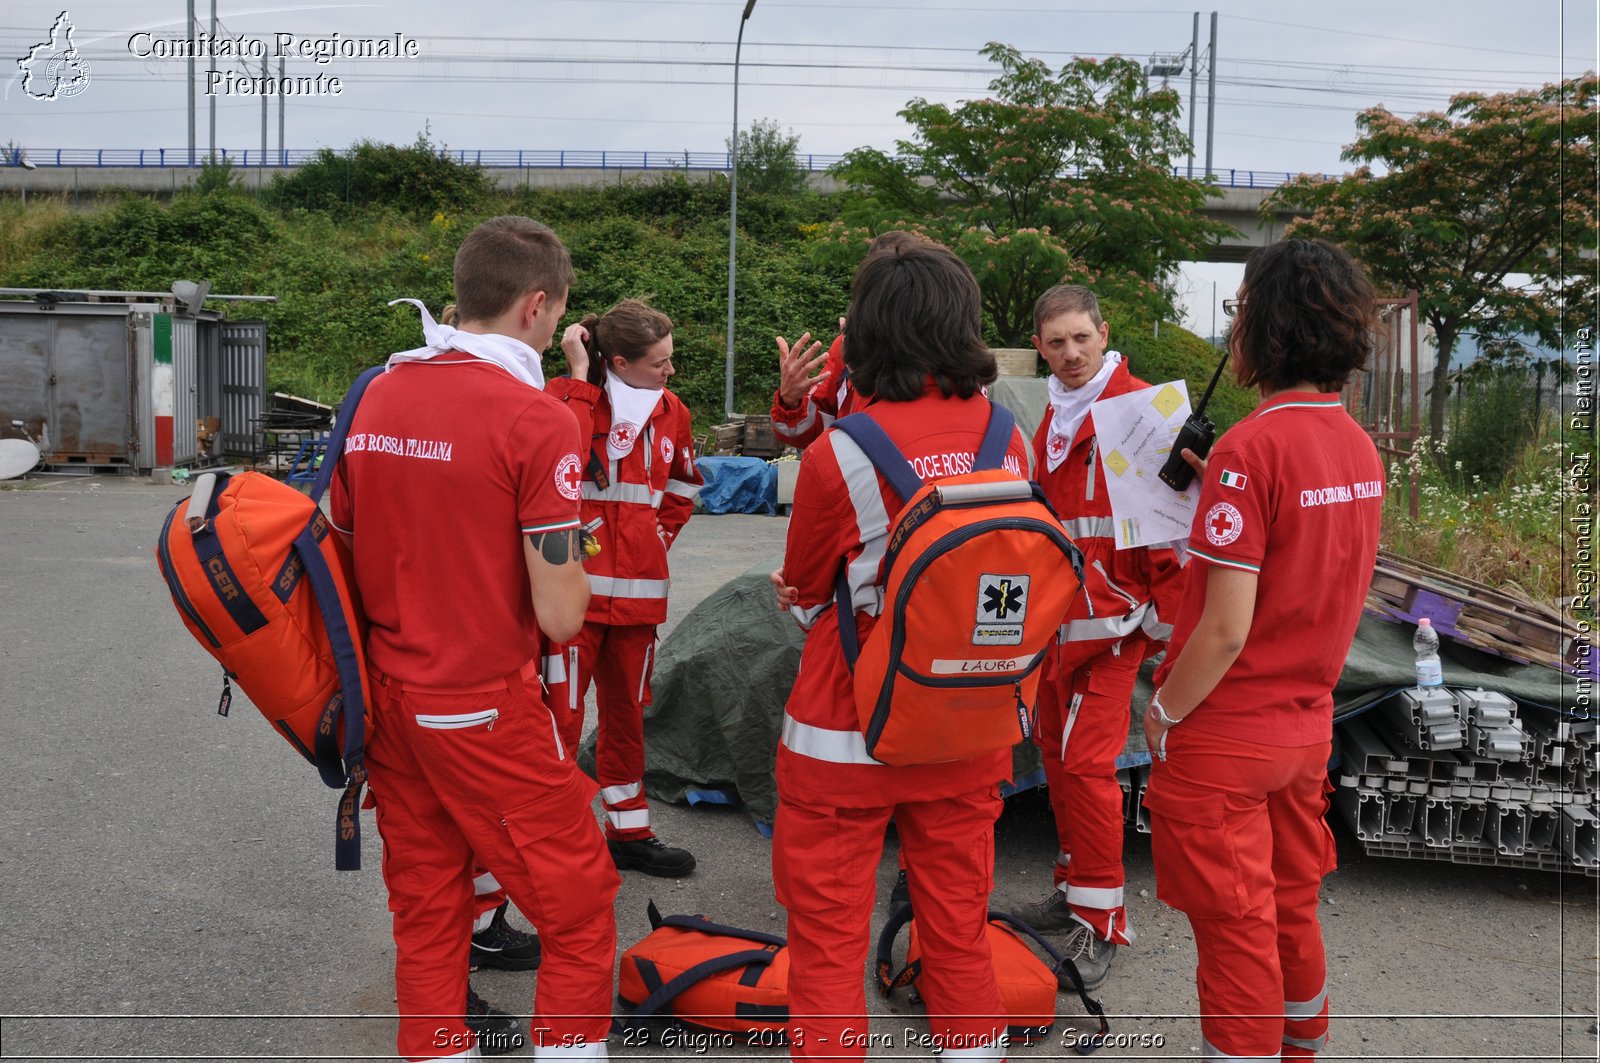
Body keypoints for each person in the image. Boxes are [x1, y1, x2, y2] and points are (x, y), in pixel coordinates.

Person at [331, 216, 620, 1062]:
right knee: (578, 905)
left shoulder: (379, 392)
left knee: (428, 911)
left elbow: (341, 540)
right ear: (539, 305)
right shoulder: (536, 421)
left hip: (389, 700)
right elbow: (564, 616)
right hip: (482, 705)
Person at [772, 241, 1021, 1061]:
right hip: (967, 722)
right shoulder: (1008, 438)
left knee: (829, 941)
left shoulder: (839, 450)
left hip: (848, 733)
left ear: (868, 330)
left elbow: (808, 586)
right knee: (956, 929)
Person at [1141, 238, 1384, 1061]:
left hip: (1225, 736)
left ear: (1264, 325)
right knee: (1289, 908)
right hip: (1306, 729)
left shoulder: (1252, 448)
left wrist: (1162, 710)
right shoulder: (1357, 446)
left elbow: (1226, 626)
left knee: (1236, 933)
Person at [1004, 286, 1186, 992]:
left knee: (1084, 765)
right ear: (1040, 346)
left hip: (1112, 628)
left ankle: (1103, 920)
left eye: (1082, 337)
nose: (1072, 353)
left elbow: (1173, 533)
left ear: (1104, 332)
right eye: (1057, 342)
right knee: (1056, 756)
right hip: (1058, 626)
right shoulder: (1055, 412)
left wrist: (1158, 627)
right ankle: (1073, 884)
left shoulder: (1141, 409)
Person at [544, 299, 704, 878]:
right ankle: (557, 841)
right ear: (619, 361)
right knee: (557, 722)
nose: (670, 371)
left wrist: (655, 541)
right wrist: (579, 377)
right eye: (660, 361)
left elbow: (683, 487)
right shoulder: (573, 399)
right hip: (571, 603)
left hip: (638, 602)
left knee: (626, 718)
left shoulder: (673, 411)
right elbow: (555, 449)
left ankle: (628, 832)